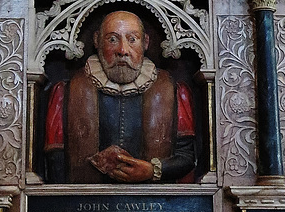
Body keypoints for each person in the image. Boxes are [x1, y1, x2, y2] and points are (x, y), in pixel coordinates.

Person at [44, 11, 196, 183]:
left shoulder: (174, 92)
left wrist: (152, 171)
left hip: (157, 204)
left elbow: (187, 158)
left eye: (132, 39)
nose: (123, 50)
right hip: (83, 204)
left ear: (145, 42)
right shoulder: (66, 93)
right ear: (97, 41)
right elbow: (55, 166)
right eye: (112, 39)